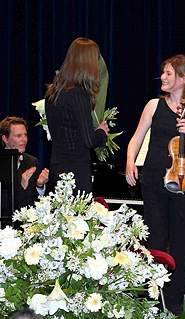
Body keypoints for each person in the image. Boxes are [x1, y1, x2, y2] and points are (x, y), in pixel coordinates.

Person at [125, 54, 185, 314]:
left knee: (182, 243)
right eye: (163, 72)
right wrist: (130, 161)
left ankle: (175, 302)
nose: (162, 77)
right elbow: (136, 138)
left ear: (183, 79)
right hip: (153, 180)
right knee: (155, 240)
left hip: (184, 183)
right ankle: (153, 299)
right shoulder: (154, 105)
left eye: (168, 73)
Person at [45, 37, 109, 193]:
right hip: (76, 170)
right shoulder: (80, 94)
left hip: (56, 166)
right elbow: (89, 140)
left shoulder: (53, 92)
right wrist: (102, 132)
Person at [0, 116, 49, 209]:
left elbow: (37, 202)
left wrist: (39, 186)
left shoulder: (32, 161)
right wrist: (21, 185)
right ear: (5, 139)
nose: (24, 139)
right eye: (18, 136)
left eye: (25, 135)